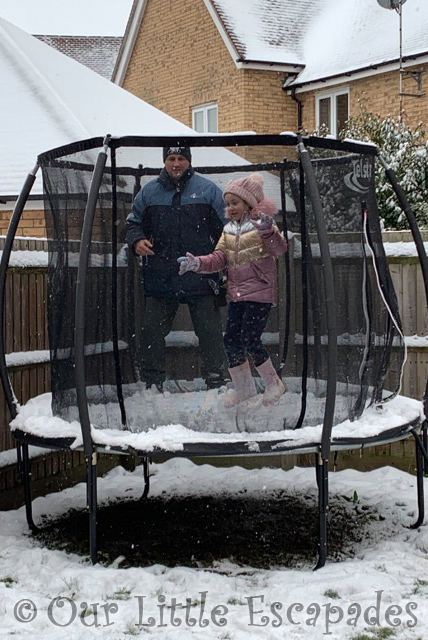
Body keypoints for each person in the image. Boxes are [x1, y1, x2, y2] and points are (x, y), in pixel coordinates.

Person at [178, 173, 287, 407]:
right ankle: (245, 390)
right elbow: (219, 258)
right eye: (228, 204)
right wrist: (197, 263)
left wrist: (269, 232)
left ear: (249, 204)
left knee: (250, 338)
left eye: (235, 203)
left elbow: (279, 250)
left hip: (259, 293)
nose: (231, 208)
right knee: (231, 341)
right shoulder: (228, 230)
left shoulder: (263, 225)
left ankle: (273, 383)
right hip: (236, 295)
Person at [126, 146, 228, 391]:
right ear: (164, 161)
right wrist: (137, 241)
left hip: (201, 274)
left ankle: (216, 380)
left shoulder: (208, 190)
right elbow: (133, 224)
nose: (176, 163)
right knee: (152, 332)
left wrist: (223, 258)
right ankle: (152, 382)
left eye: (181, 158)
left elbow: (227, 229)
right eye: (171, 158)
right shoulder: (149, 192)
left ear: (189, 161)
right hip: (161, 275)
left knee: (210, 333)